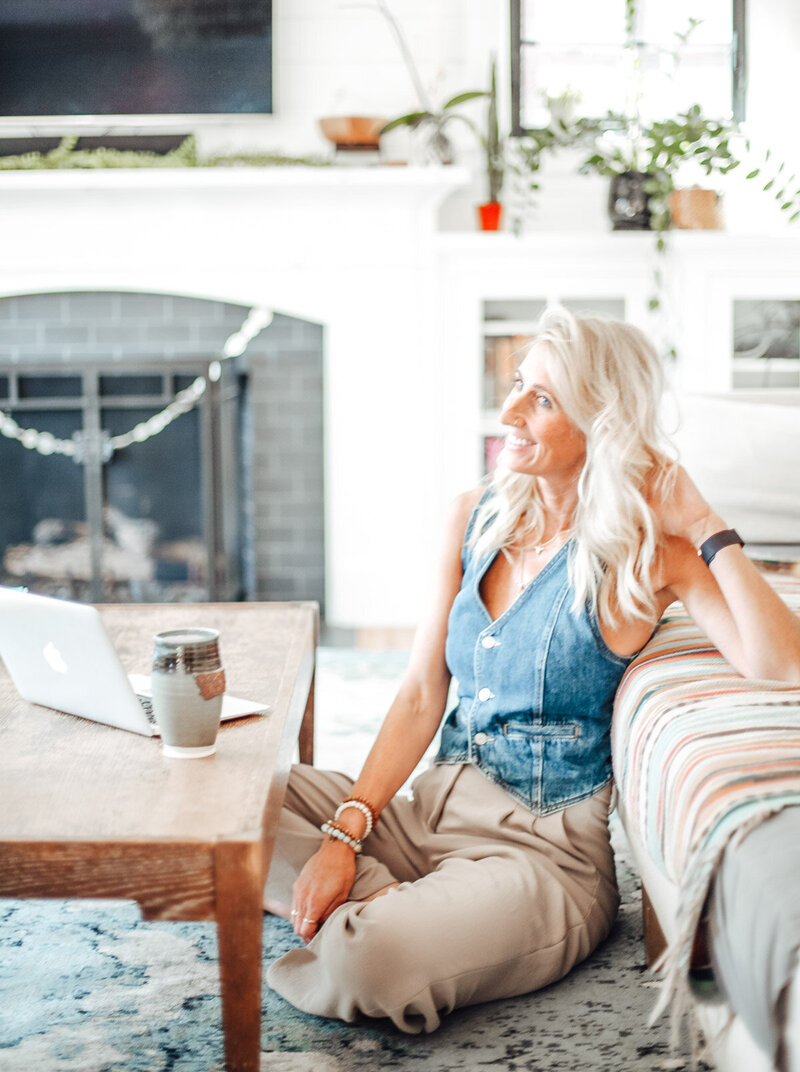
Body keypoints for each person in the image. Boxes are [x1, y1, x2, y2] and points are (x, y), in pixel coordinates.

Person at [264, 307, 800, 1034]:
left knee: (369, 965)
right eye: (517, 384)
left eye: (542, 398)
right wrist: (344, 835)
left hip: (541, 859)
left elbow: (780, 663)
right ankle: (384, 898)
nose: (509, 408)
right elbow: (423, 692)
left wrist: (703, 521)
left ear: (601, 424)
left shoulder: (646, 557)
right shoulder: (472, 517)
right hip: (424, 814)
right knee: (236, 800)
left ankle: (380, 921)